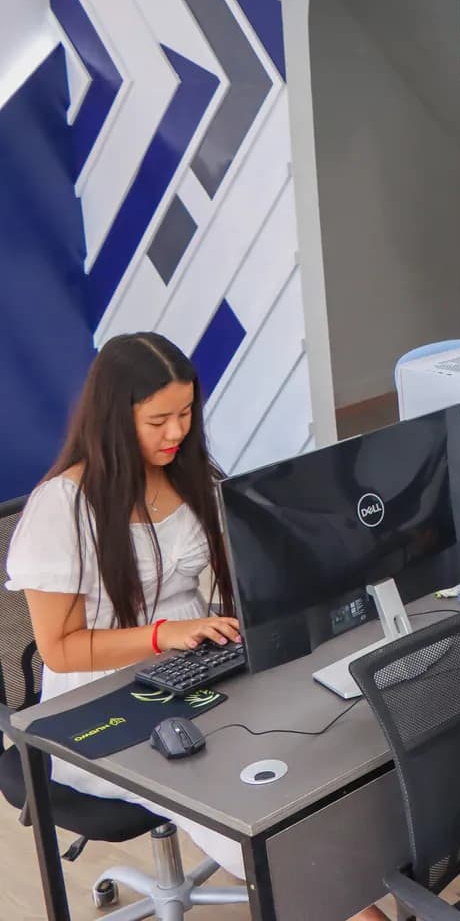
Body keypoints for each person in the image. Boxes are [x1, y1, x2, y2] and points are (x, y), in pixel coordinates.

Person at [4, 335, 388, 921]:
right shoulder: (61, 509)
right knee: (250, 810)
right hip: (105, 709)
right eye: (158, 420)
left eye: (186, 413)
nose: (176, 432)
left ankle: (361, 885)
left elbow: (244, 564)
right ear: (113, 418)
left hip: (202, 672)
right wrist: (164, 635)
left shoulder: (188, 475)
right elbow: (59, 650)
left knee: (309, 756)